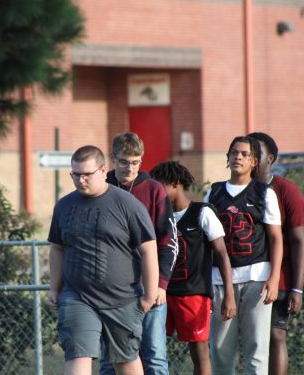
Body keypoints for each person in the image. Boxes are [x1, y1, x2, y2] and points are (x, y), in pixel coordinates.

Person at [48, 145, 160, 375]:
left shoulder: (127, 204)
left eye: (86, 174)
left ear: (102, 170)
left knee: (126, 359)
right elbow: (57, 249)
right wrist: (54, 288)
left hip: (122, 298)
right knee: (78, 355)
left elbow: (149, 250)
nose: (80, 180)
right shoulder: (64, 206)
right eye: (75, 174)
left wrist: (149, 296)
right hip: (77, 296)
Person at [204, 135, 283, 375]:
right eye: (234, 152)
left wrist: (274, 278)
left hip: (256, 278)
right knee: (220, 350)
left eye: (244, 154)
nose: (238, 157)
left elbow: (276, 238)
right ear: (227, 158)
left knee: (257, 350)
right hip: (220, 279)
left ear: (254, 161)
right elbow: (206, 240)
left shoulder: (264, 193)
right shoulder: (214, 193)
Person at [101, 132, 178, 375]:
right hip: (110, 290)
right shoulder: (101, 187)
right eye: (124, 161)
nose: (130, 168)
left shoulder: (154, 190)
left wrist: (162, 284)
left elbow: (169, 241)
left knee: (154, 357)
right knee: (108, 360)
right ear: (113, 159)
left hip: (149, 286)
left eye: (135, 162)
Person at [150, 161, 236, 375]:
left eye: (159, 186)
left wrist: (229, 294)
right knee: (151, 349)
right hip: (162, 293)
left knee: (199, 353)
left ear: (175, 184)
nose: (155, 192)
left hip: (194, 293)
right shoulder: (158, 217)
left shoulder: (202, 213)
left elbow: (222, 254)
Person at [247, 132, 304, 375]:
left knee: (276, 335)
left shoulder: (286, 190)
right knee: (250, 339)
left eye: (256, 153)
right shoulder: (237, 190)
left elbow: (298, 242)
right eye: (246, 153)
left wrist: (297, 288)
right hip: (243, 277)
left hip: (278, 278)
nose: (251, 159)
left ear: (270, 158)